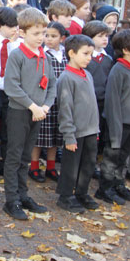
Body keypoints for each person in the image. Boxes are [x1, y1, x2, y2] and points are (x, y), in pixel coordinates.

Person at [2, 7, 56, 220]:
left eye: (43, 33)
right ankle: (11, 199)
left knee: (26, 156)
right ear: (22, 32)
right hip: (20, 113)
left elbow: (52, 84)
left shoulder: (45, 57)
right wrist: (32, 105)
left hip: (38, 114)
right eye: (36, 34)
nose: (41, 38)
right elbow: (12, 86)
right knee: (14, 157)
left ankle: (23, 194)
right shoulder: (18, 55)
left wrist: (46, 106)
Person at [98, 29, 130, 205]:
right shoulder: (119, 70)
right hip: (118, 124)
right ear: (126, 50)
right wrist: (116, 129)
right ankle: (104, 189)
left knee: (122, 158)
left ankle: (118, 184)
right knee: (111, 158)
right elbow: (112, 102)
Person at [55, 34, 100, 213]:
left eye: (91, 54)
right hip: (75, 132)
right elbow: (65, 108)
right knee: (71, 166)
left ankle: (81, 192)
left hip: (90, 130)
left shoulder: (87, 74)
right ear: (72, 53)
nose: (89, 58)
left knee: (88, 164)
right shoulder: (66, 78)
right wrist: (69, 135)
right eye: (85, 53)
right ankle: (65, 196)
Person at [30, 22, 66, 183]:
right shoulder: (42, 54)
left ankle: (51, 167)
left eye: (54, 36)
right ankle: (34, 166)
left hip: (61, 101)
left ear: (62, 38)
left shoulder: (65, 55)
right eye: (47, 35)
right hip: (45, 101)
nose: (49, 39)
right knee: (40, 136)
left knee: (55, 137)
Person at [0, 6, 20, 176]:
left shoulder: (17, 46)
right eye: (10, 25)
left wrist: (14, 44)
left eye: (16, 25)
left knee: (9, 131)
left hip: (11, 92)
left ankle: (5, 165)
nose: (14, 29)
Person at [83, 20, 113, 155]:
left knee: (100, 131)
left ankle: (96, 159)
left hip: (103, 101)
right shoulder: (86, 59)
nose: (104, 39)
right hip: (88, 101)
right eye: (100, 36)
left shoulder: (108, 59)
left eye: (106, 36)